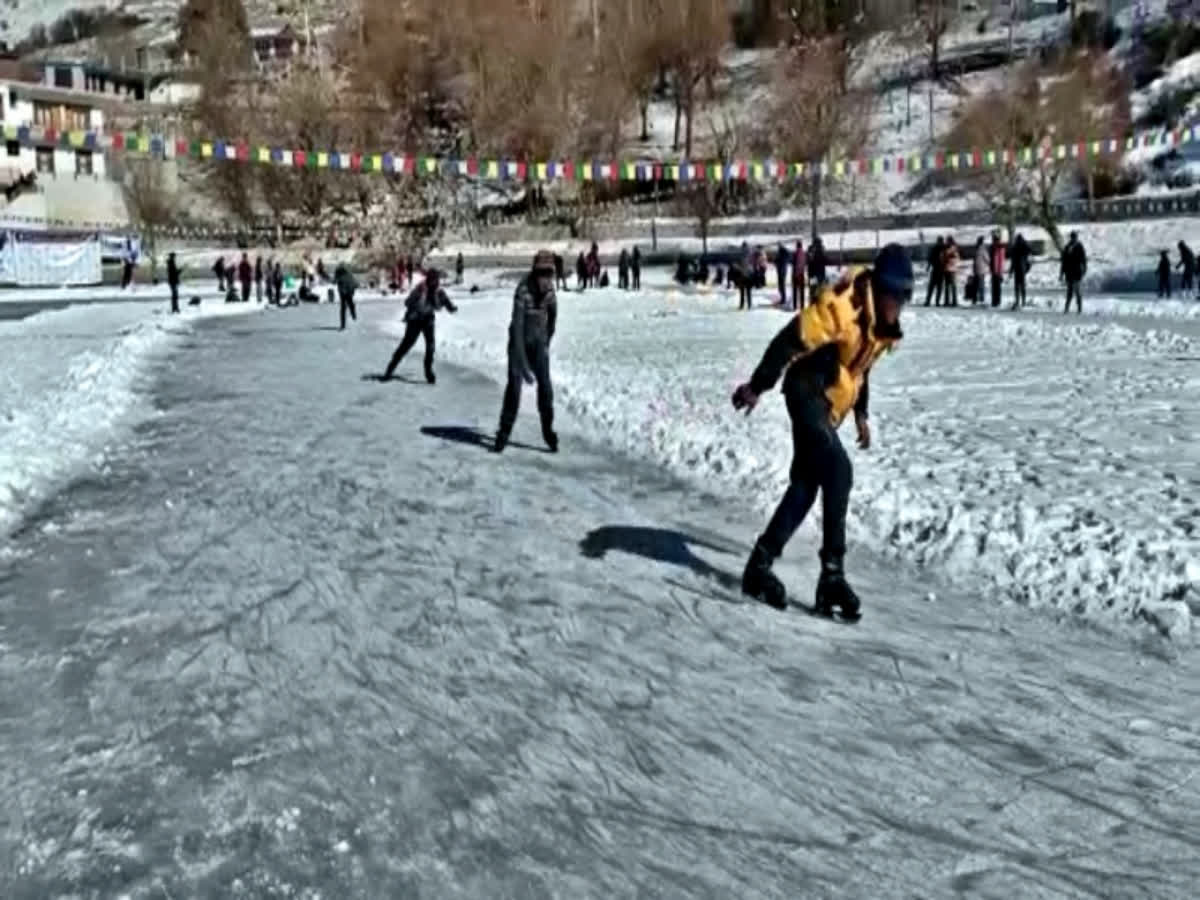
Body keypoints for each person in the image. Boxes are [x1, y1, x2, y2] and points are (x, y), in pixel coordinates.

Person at [731, 244, 913, 618]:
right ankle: (832, 575)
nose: (898, 303)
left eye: (904, 295)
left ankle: (759, 566)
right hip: (805, 391)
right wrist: (756, 387)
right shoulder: (842, 307)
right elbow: (789, 338)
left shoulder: (881, 323)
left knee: (805, 486)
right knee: (839, 472)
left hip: (829, 404)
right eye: (893, 293)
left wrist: (861, 412)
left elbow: (860, 366)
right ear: (878, 287)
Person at [494, 250, 558, 454]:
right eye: (541, 273)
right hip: (518, 343)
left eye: (549, 274)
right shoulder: (523, 290)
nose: (545, 279)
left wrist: (546, 342)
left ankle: (548, 431)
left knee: (546, 388)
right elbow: (518, 327)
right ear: (534, 272)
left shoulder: (550, 293)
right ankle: (503, 432)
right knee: (514, 388)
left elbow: (553, 320)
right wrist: (522, 363)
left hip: (538, 343)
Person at [383, 269, 457, 383]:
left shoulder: (438, 291)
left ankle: (428, 372)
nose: (435, 282)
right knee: (406, 345)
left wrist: (451, 308)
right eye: (433, 280)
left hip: (428, 320)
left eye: (436, 280)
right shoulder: (420, 289)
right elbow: (407, 302)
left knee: (430, 347)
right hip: (415, 320)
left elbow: (446, 301)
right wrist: (416, 300)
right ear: (428, 279)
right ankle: (390, 369)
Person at [1060, 231, 1087, 314]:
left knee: (1077, 291)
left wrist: (1084, 269)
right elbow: (1064, 262)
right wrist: (1061, 273)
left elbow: (1083, 259)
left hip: (1077, 272)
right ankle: (1066, 308)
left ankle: (1079, 309)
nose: (1073, 239)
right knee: (1069, 291)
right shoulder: (1067, 247)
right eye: (1072, 237)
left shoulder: (1079, 247)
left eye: (1074, 237)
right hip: (1069, 273)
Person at [1009, 233, 1031, 308]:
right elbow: (1029, 251)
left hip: (1017, 269)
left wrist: (1011, 271)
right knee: (1022, 286)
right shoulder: (1024, 247)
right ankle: (1023, 301)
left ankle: (1018, 301)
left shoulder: (1015, 248)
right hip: (1022, 268)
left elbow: (1013, 261)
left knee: (1017, 287)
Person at [334, 262, 358, 329]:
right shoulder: (341, 273)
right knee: (345, 306)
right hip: (344, 290)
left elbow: (353, 281)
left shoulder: (346, 273)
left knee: (346, 306)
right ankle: (343, 324)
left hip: (348, 289)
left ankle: (344, 324)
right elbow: (335, 281)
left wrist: (354, 286)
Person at [925, 236, 944, 307]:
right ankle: (937, 302)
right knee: (938, 287)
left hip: (936, 269)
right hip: (940, 270)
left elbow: (930, 258)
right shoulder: (943, 249)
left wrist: (928, 267)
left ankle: (928, 301)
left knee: (931, 287)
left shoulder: (935, 248)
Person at [989, 230, 1005, 308]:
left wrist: (1000, 272)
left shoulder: (999, 248)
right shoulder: (993, 248)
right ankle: (994, 301)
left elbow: (1001, 261)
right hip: (994, 270)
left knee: (997, 287)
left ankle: (997, 301)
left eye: (994, 239)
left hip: (997, 270)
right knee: (994, 287)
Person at [941, 237, 959, 307]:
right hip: (948, 269)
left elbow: (955, 259)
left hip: (951, 269)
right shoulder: (949, 249)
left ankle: (953, 301)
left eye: (947, 241)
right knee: (948, 286)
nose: (946, 242)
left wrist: (947, 260)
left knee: (951, 286)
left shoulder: (952, 249)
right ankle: (948, 301)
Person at [793, 240, 807, 310]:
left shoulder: (796, 253)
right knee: (802, 291)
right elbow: (803, 263)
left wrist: (796, 274)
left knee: (795, 291)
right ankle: (802, 305)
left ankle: (795, 306)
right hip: (802, 273)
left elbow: (797, 264)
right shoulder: (804, 253)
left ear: (797, 246)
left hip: (797, 274)